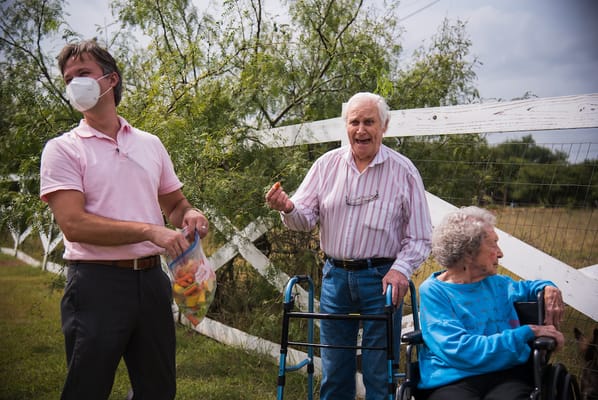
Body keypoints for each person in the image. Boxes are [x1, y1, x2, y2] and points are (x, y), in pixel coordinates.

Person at [39, 40, 209, 400]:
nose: (74, 84)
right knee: (87, 388)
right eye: (68, 79)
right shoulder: (63, 149)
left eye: (83, 74)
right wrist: (151, 231)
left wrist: (189, 214)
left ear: (111, 79)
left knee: (158, 390)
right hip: (96, 285)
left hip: (151, 282)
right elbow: (74, 225)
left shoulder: (150, 143)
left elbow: (175, 204)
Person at [265, 92, 432, 400]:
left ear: (384, 126)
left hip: (382, 278)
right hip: (336, 276)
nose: (361, 130)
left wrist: (400, 271)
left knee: (378, 370)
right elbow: (303, 218)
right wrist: (287, 207)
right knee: (335, 369)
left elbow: (420, 237)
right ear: (346, 126)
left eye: (369, 122)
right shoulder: (326, 165)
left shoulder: (403, 170)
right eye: (354, 122)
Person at [417, 206, 565, 400]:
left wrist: (548, 288)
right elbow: (461, 350)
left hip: (507, 374)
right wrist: (529, 331)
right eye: (493, 245)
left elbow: (533, 287)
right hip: (452, 377)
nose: (500, 253)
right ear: (469, 251)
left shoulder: (500, 285)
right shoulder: (434, 292)